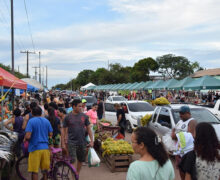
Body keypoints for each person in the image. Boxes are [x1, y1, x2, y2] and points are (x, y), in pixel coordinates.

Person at [62, 99, 93, 175]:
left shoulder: (84, 116)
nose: (81, 107)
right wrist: (63, 143)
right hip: (71, 142)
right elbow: (63, 131)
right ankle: (74, 175)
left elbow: (89, 129)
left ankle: (77, 173)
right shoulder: (67, 117)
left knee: (80, 160)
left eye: (81, 106)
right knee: (72, 160)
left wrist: (92, 141)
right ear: (73, 106)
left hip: (82, 142)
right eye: (79, 106)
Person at [24, 106, 53, 180]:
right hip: (45, 149)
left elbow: (28, 136)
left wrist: (27, 139)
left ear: (32, 113)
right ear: (41, 113)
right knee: (44, 170)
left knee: (35, 171)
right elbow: (50, 134)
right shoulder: (46, 121)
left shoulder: (31, 121)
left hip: (35, 148)